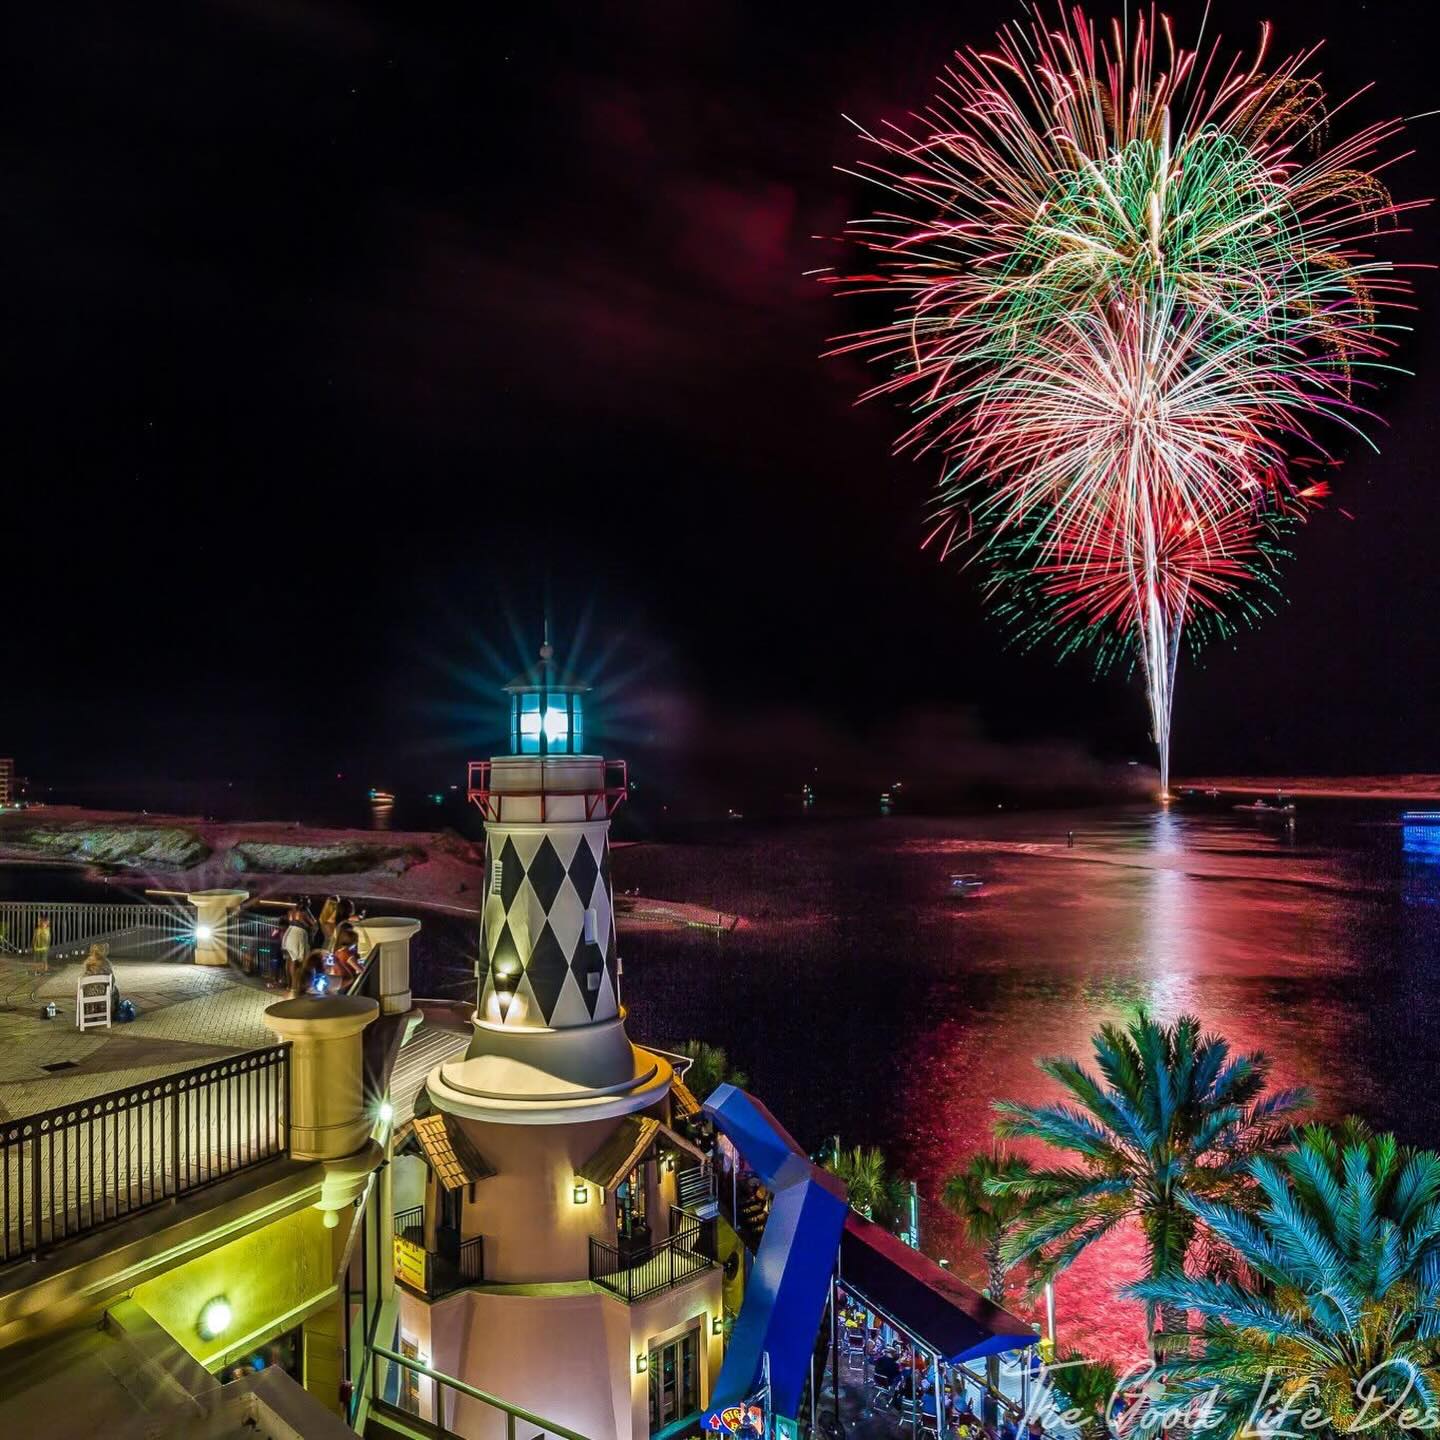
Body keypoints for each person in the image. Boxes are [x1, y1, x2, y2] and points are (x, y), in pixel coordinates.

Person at [82, 942, 122, 1018]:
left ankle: (89, 1011)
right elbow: (112, 980)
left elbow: (83, 977)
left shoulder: (87, 963)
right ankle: (112, 1013)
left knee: (84, 988)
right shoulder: (106, 963)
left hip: (87, 993)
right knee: (115, 990)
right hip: (102, 993)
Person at [281, 908, 310, 996]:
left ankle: (289, 985)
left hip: (290, 933)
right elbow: (312, 925)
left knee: (289, 960)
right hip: (298, 934)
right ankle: (294, 987)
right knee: (295, 962)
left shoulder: (291, 911)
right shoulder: (304, 913)